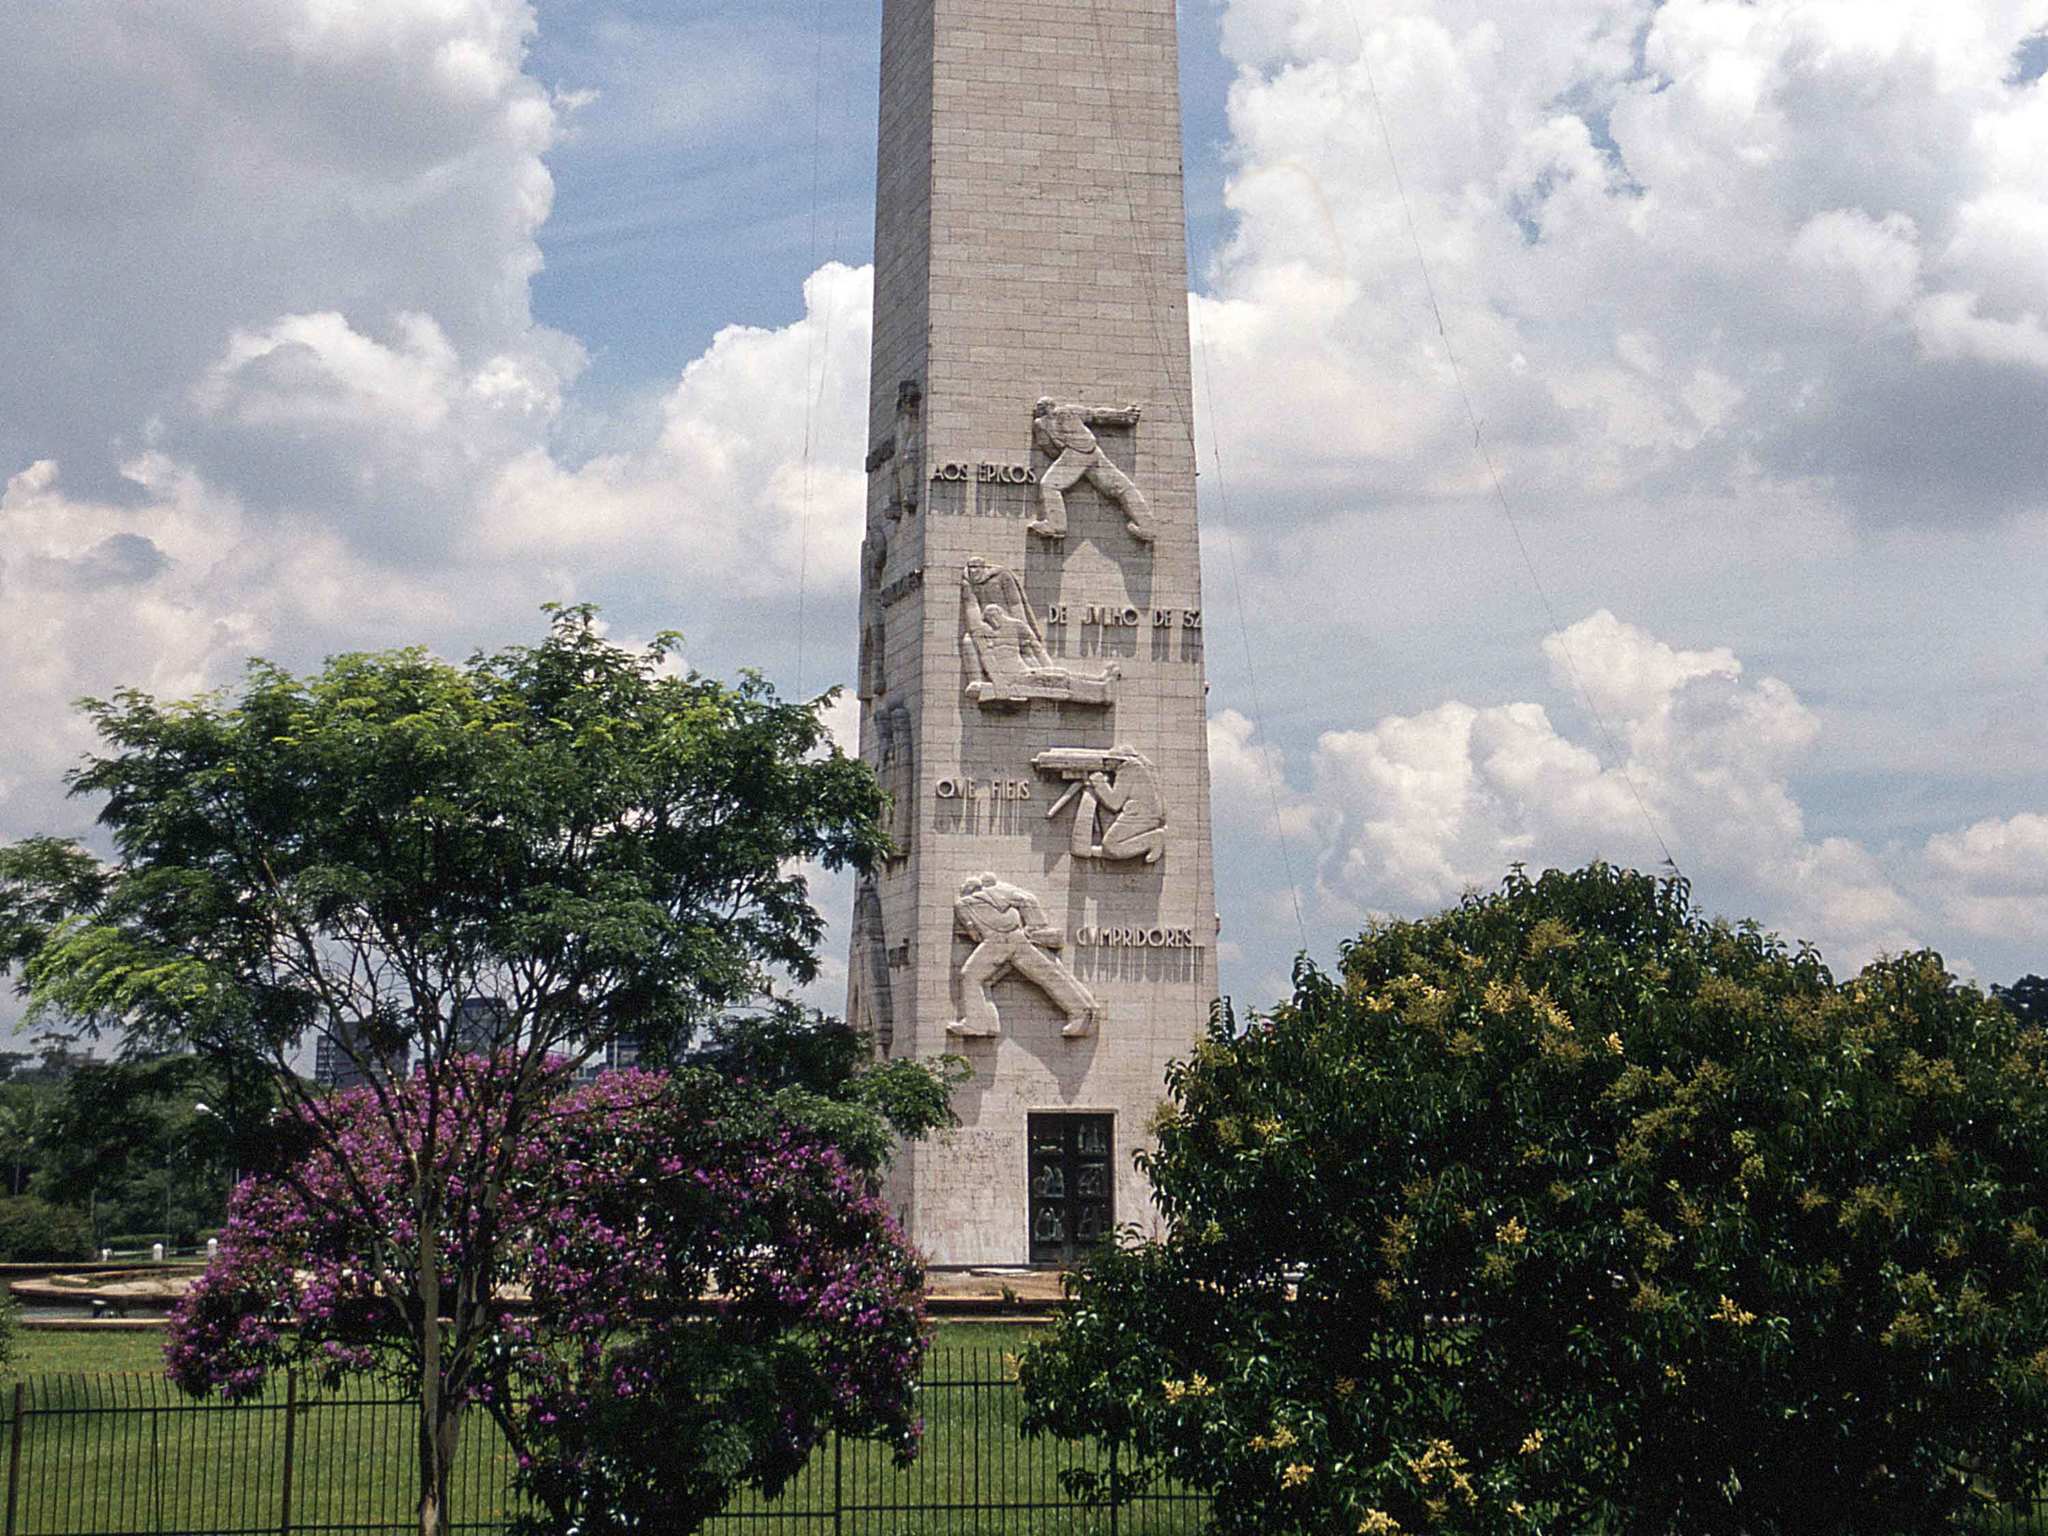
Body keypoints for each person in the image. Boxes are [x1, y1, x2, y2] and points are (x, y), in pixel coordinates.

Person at [946, 872, 1100, 1039]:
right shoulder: (1001, 892)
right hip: (1016, 938)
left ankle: (979, 1023)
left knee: (971, 976)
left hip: (997, 942)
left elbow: (974, 934)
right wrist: (1036, 926)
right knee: (1049, 975)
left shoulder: (965, 903)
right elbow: (1027, 899)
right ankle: (1080, 1012)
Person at [1028, 397, 1156, 544]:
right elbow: (1095, 415)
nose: (1042, 410)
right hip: (1090, 452)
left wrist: (1123, 416)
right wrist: (1123, 416)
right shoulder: (1052, 419)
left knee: (1049, 485)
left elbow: (1095, 415)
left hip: (1077, 453)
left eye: (1042, 407)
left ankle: (1056, 526)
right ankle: (1146, 526)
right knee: (1119, 486)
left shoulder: (1055, 417)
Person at [1067, 744, 1167, 863]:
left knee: (1111, 846)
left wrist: (1099, 782)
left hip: (1141, 815)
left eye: (1108, 760)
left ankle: (1154, 839)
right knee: (1109, 846)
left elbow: (1114, 803)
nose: (1106, 764)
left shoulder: (1128, 770)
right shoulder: (1137, 768)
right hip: (1143, 813)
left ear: (1119, 760)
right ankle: (1103, 851)